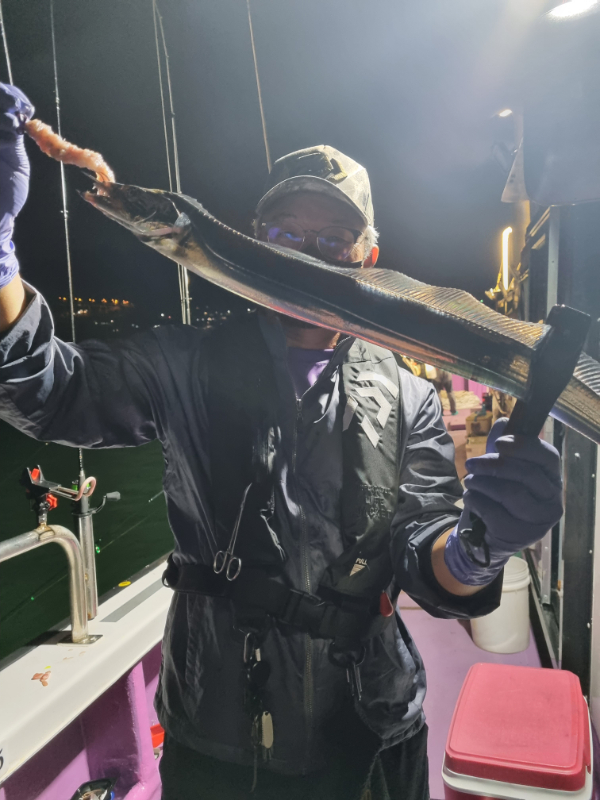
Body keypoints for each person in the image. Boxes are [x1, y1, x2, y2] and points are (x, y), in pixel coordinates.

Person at [0, 84, 563, 800]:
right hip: (215, 726)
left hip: (372, 724)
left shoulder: (409, 395)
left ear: (368, 256)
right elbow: (48, 392)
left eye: (333, 240)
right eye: (286, 235)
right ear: (252, 243)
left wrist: (479, 546)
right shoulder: (183, 365)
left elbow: (427, 559)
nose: (306, 257)